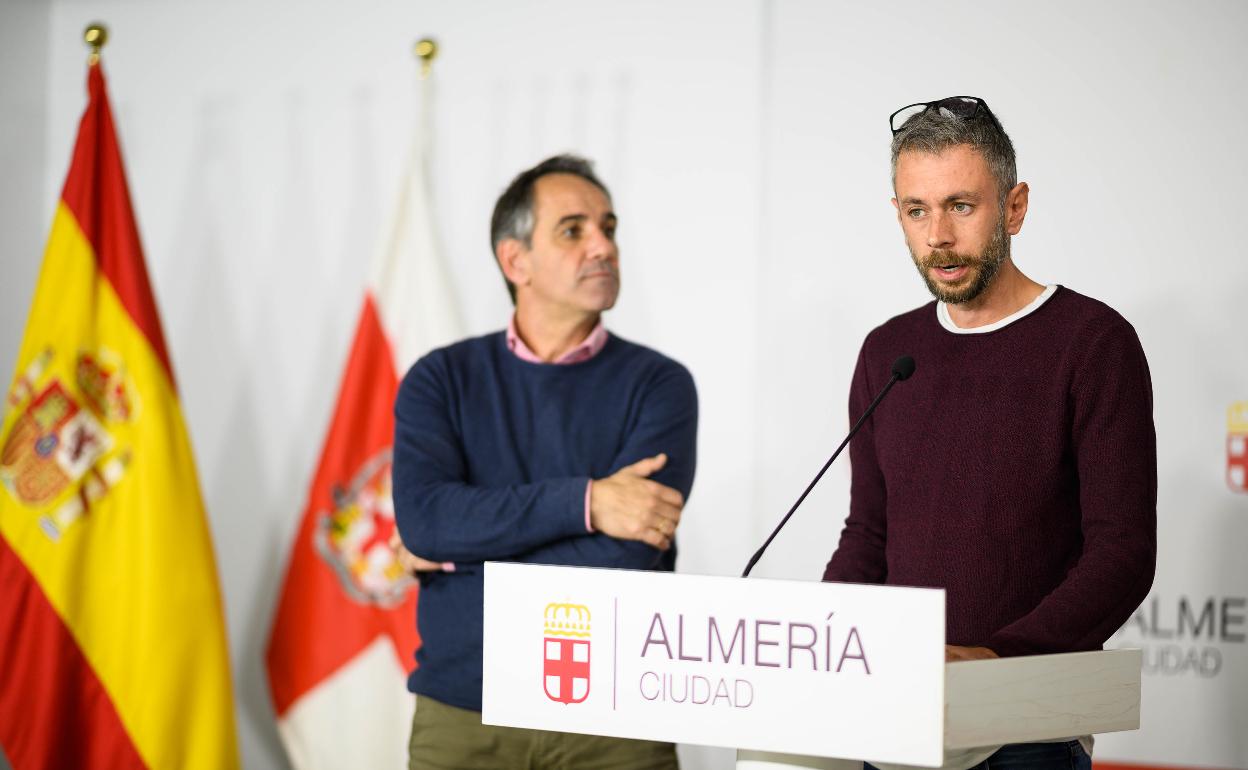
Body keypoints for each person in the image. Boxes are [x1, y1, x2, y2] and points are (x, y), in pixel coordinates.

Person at [822, 97, 1156, 770]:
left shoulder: (1092, 343)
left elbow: (1122, 553)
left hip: (1026, 728)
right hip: (894, 719)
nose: (938, 235)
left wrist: (997, 659)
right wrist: (823, 640)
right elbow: (869, 536)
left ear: (1014, 207)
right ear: (898, 215)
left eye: (961, 206)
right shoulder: (887, 351)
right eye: (917, 210)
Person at [392, 154, 697, 770]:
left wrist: (457, 554)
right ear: (515, 261)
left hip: (617, 715)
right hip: (463, 714)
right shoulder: (439, 379)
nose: (603, 246)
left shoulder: (659, 384)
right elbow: (425, 520)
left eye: (608, 228)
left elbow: (627, 554)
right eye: (573, 229)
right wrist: (589, 502)